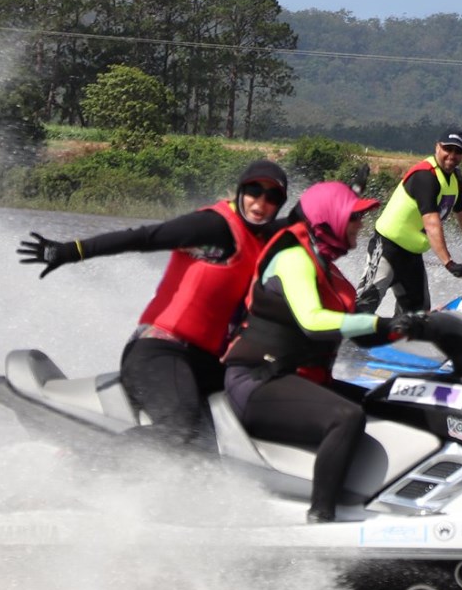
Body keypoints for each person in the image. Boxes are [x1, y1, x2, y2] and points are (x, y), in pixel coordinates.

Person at [15, 159, 291, 452]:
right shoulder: (213, 226)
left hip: (204, 361)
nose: (260, 203)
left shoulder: (262, 237)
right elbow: (144, 237)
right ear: (241, 190)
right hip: (160, 350)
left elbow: (311, 216)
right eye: (254, 191)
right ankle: (87, 466)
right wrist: (72, 251)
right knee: (180, 427)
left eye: (272, 197)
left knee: (262, 403)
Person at [222, 180, 420, 523]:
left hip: (298, 380)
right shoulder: (293, 259)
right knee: (346, 417)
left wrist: (412, 329)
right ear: (329, 220)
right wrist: (380, 322)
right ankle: (321, 517)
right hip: (257, 380)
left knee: (395, 401)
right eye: (354, 217)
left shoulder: (330, 271)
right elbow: (313, 322)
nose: (361, 224)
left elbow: (360, 336)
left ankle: (394, 501)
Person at [364, 129, 462, 316]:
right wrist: (449, 263)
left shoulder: (454, 179)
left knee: (419, 316)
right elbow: (431, 223)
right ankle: (340, 334)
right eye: (447, 149)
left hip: (412, 255)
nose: (452, 155)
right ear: (437, 147)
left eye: (458, 151)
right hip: (387, 248)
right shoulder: (425, 176)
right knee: (365, 304)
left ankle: (397, 334)